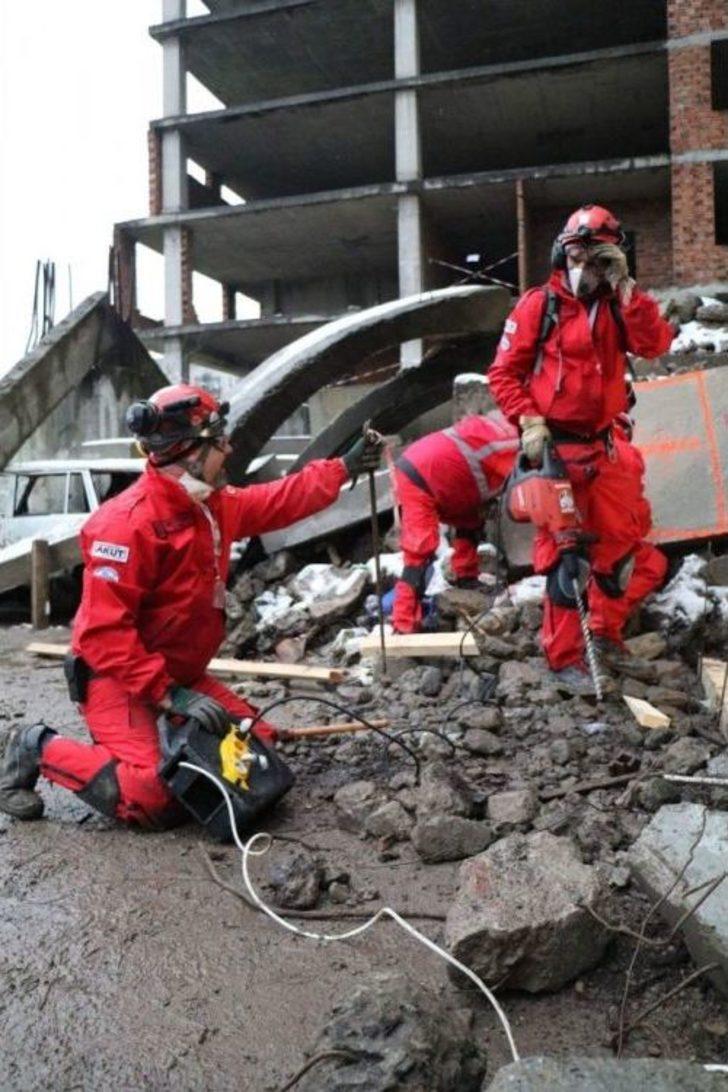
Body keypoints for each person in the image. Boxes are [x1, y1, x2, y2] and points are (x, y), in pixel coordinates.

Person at [0, 384, 381, 826]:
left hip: (177, 673)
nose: (230, 447)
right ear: (189, 452)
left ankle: (160, 731)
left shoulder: (210, 506)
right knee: (154, 796)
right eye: (219, 440)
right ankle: (34, 746)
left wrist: (341, 469)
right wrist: (169, 695)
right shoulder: (126, 526)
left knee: (256, 746)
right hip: (116, 680)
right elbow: (103, 635)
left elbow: (276, 500)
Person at [488, 204, 674, 691]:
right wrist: (528, 420)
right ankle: (564, 657)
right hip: (558, 450)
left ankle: (605, 632)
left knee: (619, 544)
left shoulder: (618, 305)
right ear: (562, 252)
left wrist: (629, 291)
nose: (584, 267)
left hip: (606, 447)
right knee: (566, 556)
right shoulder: (539, 305)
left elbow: (655, 345)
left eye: (596, 257)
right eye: (577, 253)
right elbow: (503, 373)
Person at [392, 409, 519, 633]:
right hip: (422, 476)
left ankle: (466, 576)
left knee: (470, 521)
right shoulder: (510, 446)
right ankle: (403, 624)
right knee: (419, 551)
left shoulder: (501, 429)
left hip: (443, 474)